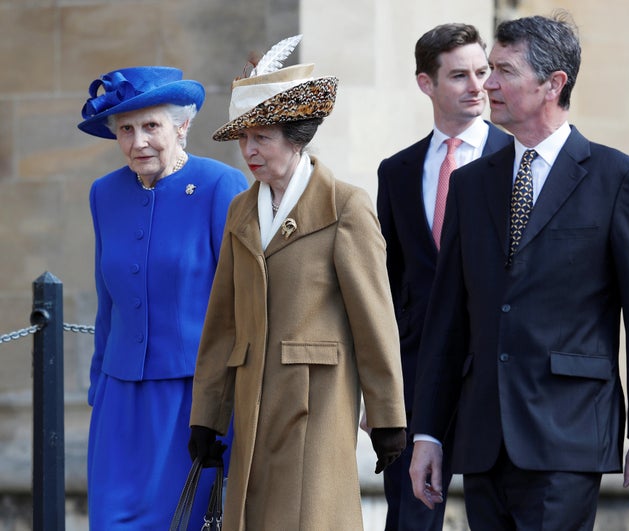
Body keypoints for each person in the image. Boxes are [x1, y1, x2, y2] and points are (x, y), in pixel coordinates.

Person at [409, 12, 629, 530]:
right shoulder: (471, 186)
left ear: (553, 84)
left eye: (503, 71)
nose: (487, 85)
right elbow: (447, 321)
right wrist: (428, 434)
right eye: (488, 70)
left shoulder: (616, 180)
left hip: (568, 435)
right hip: (483, 438)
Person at [187, 36, 407, 530]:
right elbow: (222, 321)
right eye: (244, 139)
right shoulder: (241, 209)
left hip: (316, 402)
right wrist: (208, 416)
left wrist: (389, 415)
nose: (248, 151)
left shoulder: (345, 206)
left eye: (260, 137)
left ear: (296, 136)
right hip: (253, 401)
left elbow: (374, 319)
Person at [77, 66, 248, 528]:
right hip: (119, 401)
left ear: (182, 125)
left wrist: (228, 403)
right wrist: (98, 389)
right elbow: (106, 300)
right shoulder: (104, 194)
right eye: (126, 130)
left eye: (151, 126)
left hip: (193, 403)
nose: (138, 142)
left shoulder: (221, 187)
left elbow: (243, 306)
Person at [375, 22, 511, 531]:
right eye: (459, 76)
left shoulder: (515, 160)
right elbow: (387, 284)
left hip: (491, 371)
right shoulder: (398, 170)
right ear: (425, 83)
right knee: (408, 519)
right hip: (413, 374)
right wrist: (377, 386)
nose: (478, 86)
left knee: (495, 511)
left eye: (484, 72)